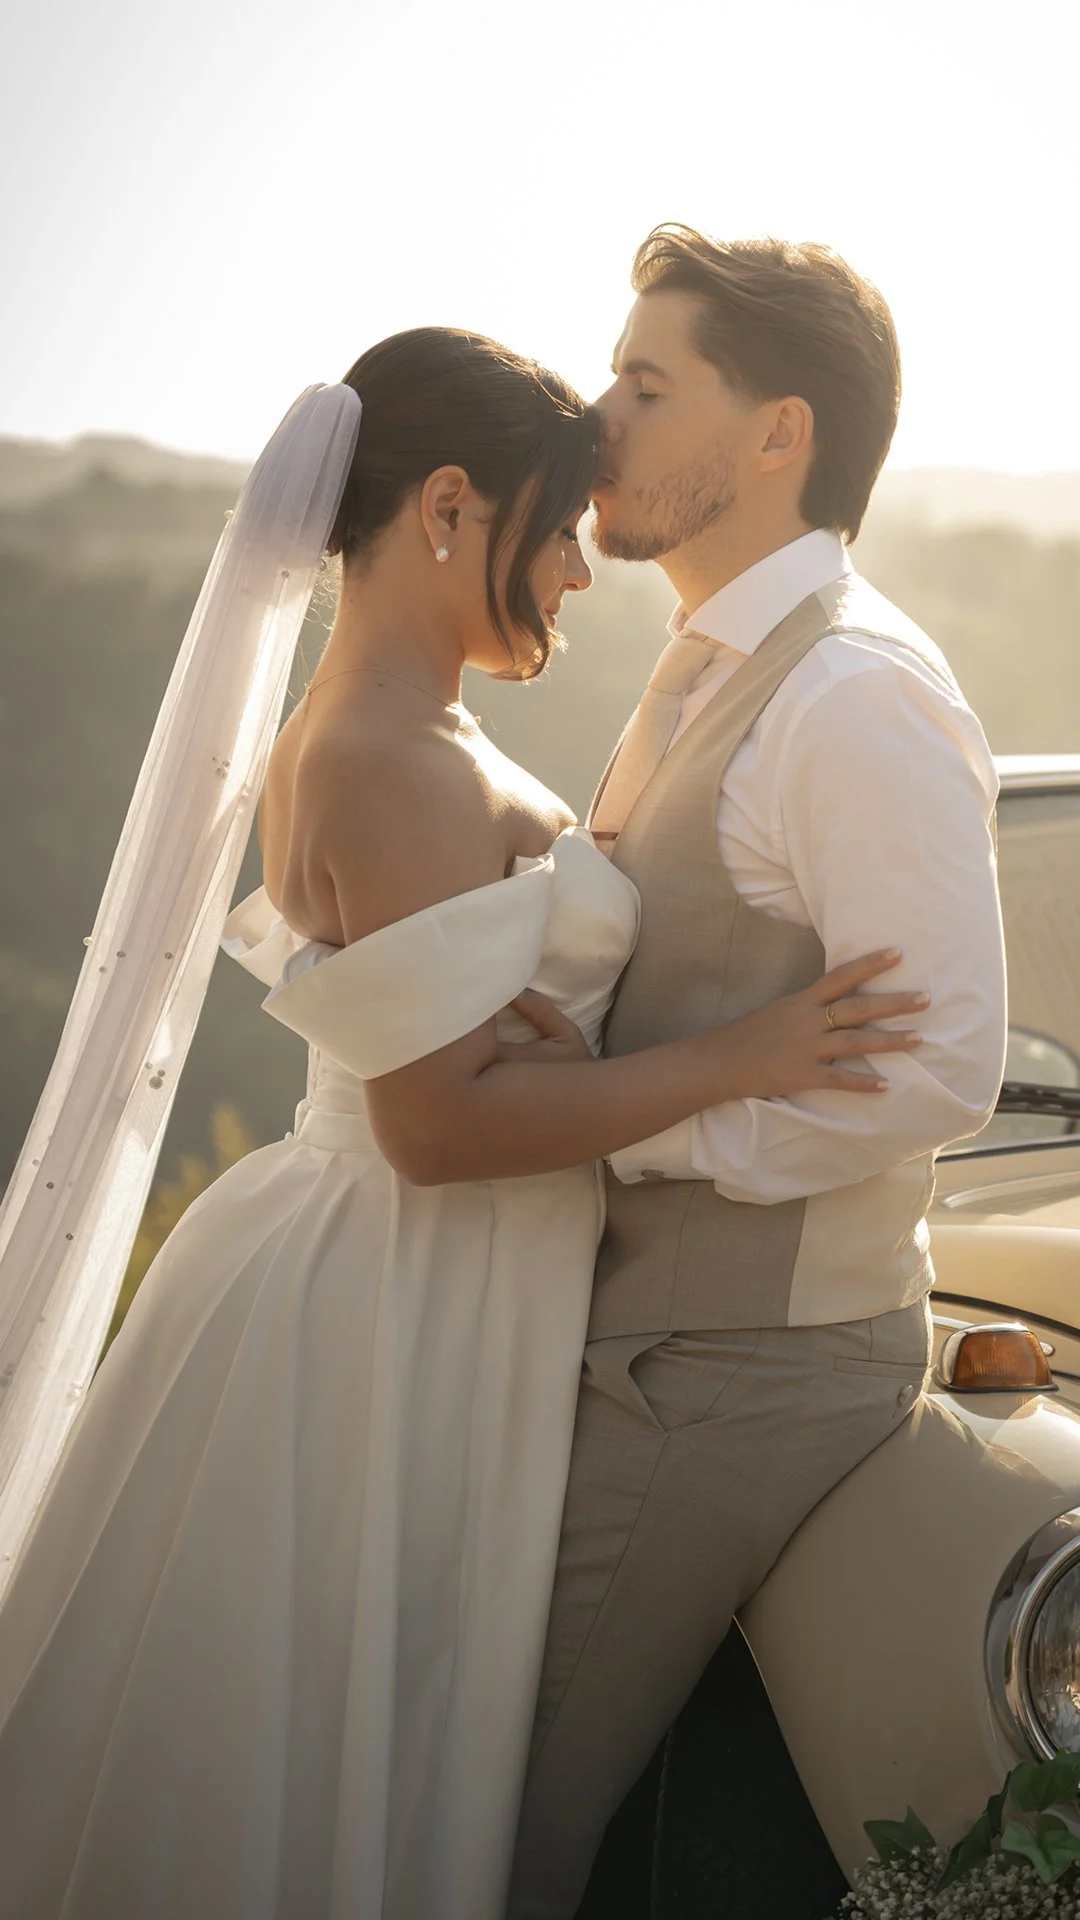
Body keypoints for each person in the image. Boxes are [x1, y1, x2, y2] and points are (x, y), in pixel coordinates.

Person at [0, 325, 926, 1920]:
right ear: (445, 507)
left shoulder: (380, 735)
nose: (579, 569)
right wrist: (748, 1053)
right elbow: (433, 1130)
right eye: (556, 525)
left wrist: (548, 1039)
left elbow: (448, 1061)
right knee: (352, 1719)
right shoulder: (390, 756)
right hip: (401, 1287)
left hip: (406, 1264)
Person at [507, 228, 1008, 1917]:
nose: (599, 421)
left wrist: (625, 1142)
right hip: (651, 1345)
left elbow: (944, 1061)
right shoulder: (709, 662)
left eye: (648, 389)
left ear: (778, 435)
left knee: (499, 1809)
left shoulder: (853, 697)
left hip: (733, 1371)